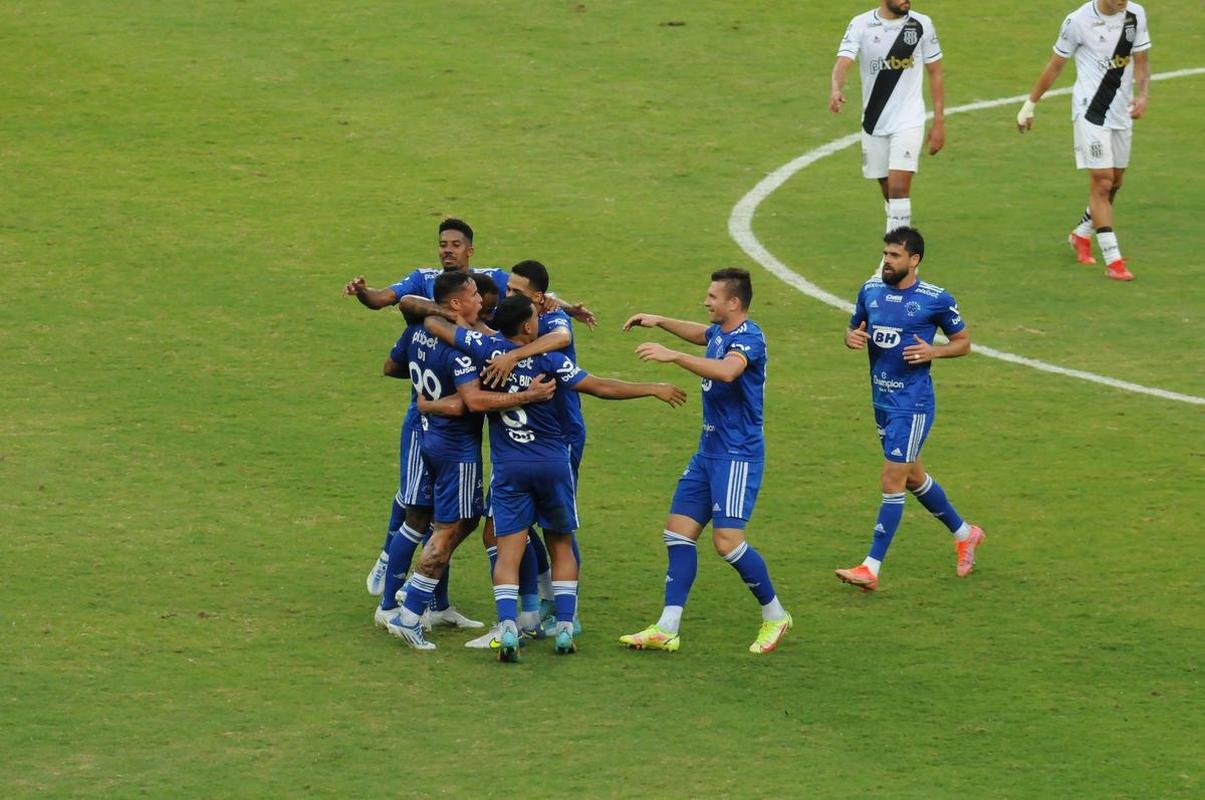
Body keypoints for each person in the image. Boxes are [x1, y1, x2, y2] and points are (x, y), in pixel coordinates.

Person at [425, 295, 686, 661]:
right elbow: (599, 386)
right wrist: (652, 388)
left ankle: (509, 628)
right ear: (529, 326)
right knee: (561, 543)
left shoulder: (485, 350)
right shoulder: (550, 359)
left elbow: (435, 326)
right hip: (552, 465)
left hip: (510, 467)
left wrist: (453, 320)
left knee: (509, 549)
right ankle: (564, 627)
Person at [618, 269, 793, 655]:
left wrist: (673, 356)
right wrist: (660, 321)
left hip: (737, 454)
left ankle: (775, 615)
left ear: (734, 303)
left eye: (713, 296)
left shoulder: (749, 337)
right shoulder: (721, 332)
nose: (706, 301)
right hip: (708, 451)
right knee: (677, 532)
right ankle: (667, 627)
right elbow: (702, 333)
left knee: (727, 542)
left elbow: (729, 371)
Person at [385, 271, 556, 650]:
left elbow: (404, 346)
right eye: (474, 294)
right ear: (457, 303)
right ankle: (410, 612)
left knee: (445, 525)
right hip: (456, 449)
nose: (483, 300)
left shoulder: (422, 330)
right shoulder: (463, 348)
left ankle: (419, 606)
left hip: (428, 437)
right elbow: (474, 402)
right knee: (450, 529)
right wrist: (527, 396)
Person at [835, 227, 984, 592]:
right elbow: (854, 328)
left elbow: (963, 343)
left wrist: (934, 351)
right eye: (885, 254)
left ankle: (871, 567)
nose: (887, 261)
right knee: (913, 477)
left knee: (892, 478)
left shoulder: (935, 299)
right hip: (881, 401)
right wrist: (850, 337)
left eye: (895, 256)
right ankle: (966, 534)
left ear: (914, 260)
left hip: (913, 404)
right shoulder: (870, 291)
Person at [1016, 0, 1151, 281]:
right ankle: (1113, 261)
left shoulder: (1136, 15)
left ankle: (1081, 234)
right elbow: (1055, 64)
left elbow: (1142, 60)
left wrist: (1143, 95)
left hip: (1121, 112)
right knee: (1102, 181)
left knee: (1115, 183)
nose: (1123, 1)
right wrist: (1030, 104)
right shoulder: (1077, 21)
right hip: (1090, 112)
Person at [830, 0, 945, 237]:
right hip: (874, 120)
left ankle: (896, 255)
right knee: (888, 189)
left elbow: (935, 73)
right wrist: (836, 88)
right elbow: (843, 63)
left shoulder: (921, 24)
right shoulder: (861, 24)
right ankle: (898, 225)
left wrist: (939, 122)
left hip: (909, 119)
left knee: (899, 188)